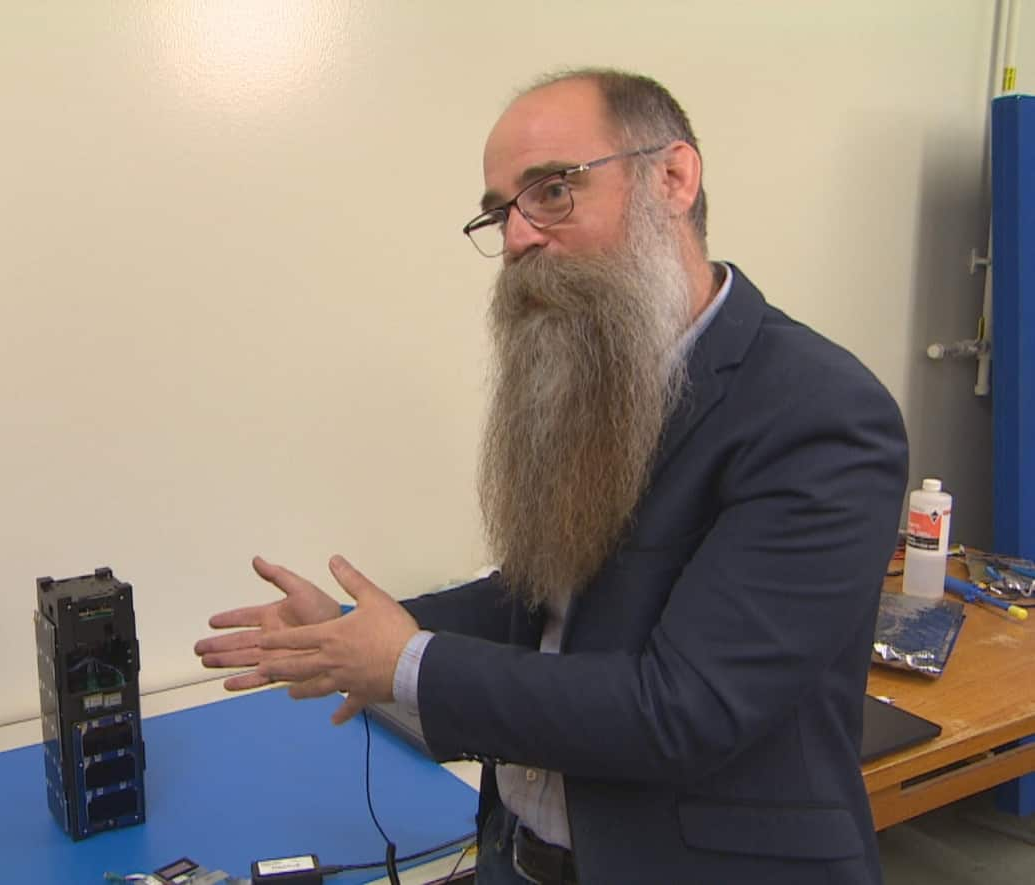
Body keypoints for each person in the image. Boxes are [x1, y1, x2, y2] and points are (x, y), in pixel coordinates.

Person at [194, 68, 908, 885]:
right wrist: (357, 634)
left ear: (673, 177)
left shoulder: (821, 411)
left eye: (554, 191)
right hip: (521, 860)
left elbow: (685, 709)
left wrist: (404, 662)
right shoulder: (605, 378)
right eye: (501, 211)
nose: (521, 235)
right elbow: (548, 600)